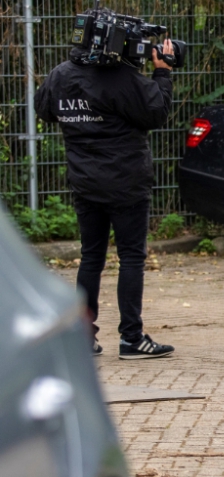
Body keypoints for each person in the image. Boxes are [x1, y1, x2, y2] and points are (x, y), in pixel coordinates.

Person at [35, 37, 177, 359]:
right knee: (130, 257)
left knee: (91, 257)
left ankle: (83, 336)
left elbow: (43, 108)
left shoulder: (61, 74)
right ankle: (131, 338)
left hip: (85, 183)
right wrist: (163, 74)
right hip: (126, 182)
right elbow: (156, 113)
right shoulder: (121, 77)